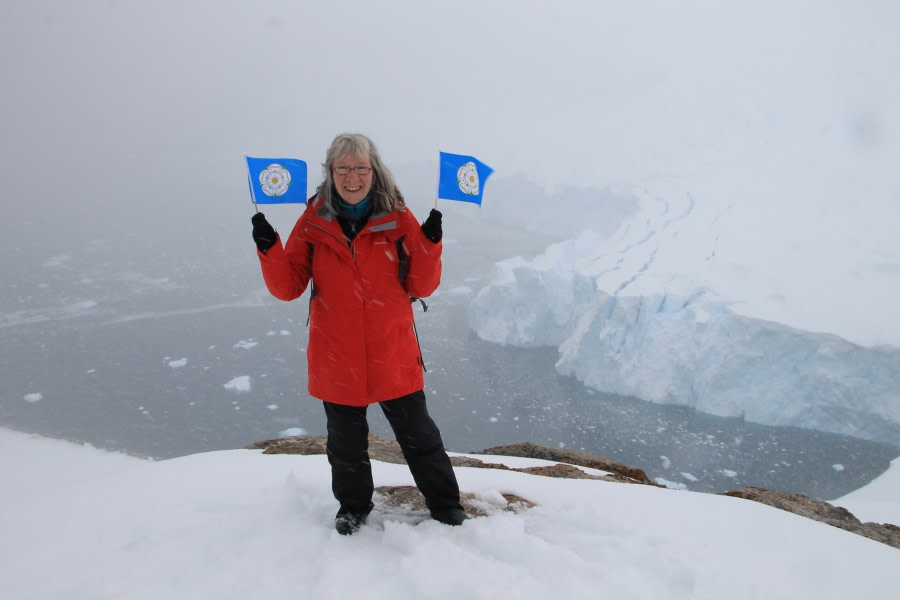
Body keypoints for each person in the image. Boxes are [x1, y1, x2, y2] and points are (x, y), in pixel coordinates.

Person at [250, 133, 467, 535]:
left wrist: (430, 243)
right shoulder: (313, 222)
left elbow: (420, 285)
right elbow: (288, 287)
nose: (352, 177)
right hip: (337, 354)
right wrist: (269, 248)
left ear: (374, 171)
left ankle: (445, 505)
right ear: (331, 172)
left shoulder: (397, 217)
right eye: (343, 168)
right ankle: (353, 507)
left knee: (420, 438)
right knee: (346, 446)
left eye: (360, 168)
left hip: (392, 350)